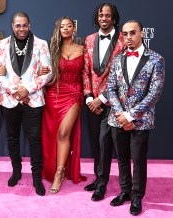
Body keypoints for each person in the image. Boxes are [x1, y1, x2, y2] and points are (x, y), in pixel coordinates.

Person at [107, 20, 165, 216]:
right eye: (125, 33)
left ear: (142, 33)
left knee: (138, 160)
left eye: (133, 33)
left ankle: (137, 196)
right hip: (117, 118)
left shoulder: (156, 59)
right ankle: (125, 191)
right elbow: (111, 89)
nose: (128, 37)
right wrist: (121, 114)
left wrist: (131, 115)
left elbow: (154, 93)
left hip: (141, 120)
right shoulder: (116, 59)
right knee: (122, 159)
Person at [0, 11, 52, 196]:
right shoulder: (3, 44)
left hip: (33, 100)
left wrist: (28, 89)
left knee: (34, 139)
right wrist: (14, 90)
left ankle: (36, 177)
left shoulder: (41, 44)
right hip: (10, 99)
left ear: (29, 25)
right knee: (12, 138)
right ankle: (16, 171)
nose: (21, 29)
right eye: (17, 25)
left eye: (24, 25)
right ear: (12, 26)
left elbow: (47, 72)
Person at [82, 3, 125, 201]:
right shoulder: (89, 40)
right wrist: (90, 97)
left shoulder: (124, 40)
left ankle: (102, 184)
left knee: (105, 142)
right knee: (96, 144)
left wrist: (102, 98)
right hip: (92, 102)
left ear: (113, 18)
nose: (104, 18)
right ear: (97, 18)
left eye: (108, 15)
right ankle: (100, 177)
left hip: (112, 101)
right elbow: (86, 70)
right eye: (101, 15)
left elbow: (122, 75)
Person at [41, 16, 86, 194]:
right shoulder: (52, 50)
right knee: (53, 135)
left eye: (69, 26)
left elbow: (88, 74)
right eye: (62, 27)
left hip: (74, 94)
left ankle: (59, 173)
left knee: (63, 132)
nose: (66, 29)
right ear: (58, 30)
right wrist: (42, 70)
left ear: (74, 29)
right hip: (53, 94)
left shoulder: (83, 49)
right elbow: (45, 72)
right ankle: (55, 168)